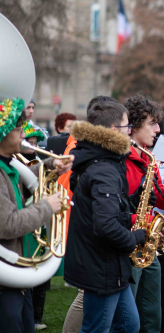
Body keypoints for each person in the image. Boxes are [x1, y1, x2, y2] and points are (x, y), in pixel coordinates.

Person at [64, 101, 147, 333]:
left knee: (129, 325)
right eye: (126, 125)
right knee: (97, 328)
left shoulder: (103, 160)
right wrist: (136, 238)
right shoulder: (104, 167)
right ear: (113, 131)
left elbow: (107, 209)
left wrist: (136, 199)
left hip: (110, 265)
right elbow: (106, 225)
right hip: (102, 267)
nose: (129, 130)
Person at [0, 98, 73, 333]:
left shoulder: (8, 164)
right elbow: (7, 224)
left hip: (16, 276)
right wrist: (47, 207)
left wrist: (52, 165)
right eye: (19, 130)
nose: (24, 135)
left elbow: (28, 174)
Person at [124, 94, 164, 333]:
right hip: (130, 241)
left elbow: (158, 198)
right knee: (129, 316)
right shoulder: (125, 158)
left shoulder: (148, 157)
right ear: (135, 126)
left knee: (152, 314)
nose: (159, 129)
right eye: (152, 123)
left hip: (149, 241)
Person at [61, 96, 120, 333]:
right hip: (91, 243)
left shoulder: (91, 152)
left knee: (123, 321)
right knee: (89, 307)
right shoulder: (89, 154)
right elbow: (71, 186)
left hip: (95, 243)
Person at [20, 122, 52, 331]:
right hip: (25, 224)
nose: (32, 145)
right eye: (27, 141)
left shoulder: (34, 160)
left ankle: (35, 318)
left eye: (33, 142)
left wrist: (50, 166)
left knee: (39, 278)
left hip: (37, 222)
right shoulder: (13, 164)